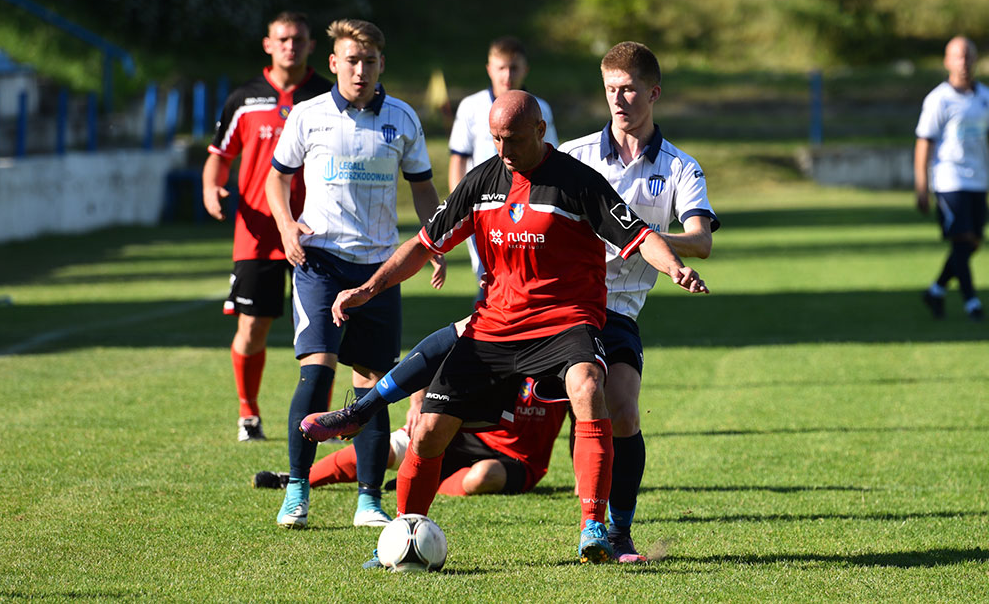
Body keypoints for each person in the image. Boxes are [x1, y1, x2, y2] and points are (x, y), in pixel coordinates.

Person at [329, 91, 708, 565]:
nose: (503, 150)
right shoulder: (482, 180)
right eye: (494, 139)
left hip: (564, 321)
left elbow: (640, 235)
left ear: (539, 132)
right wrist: (368, 288)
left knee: (589, 386)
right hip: (494, 327)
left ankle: (595, 527)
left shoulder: (578, 182)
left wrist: (675, 268)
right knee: (427, 430)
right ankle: (400, 537)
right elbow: (424, 244)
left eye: (510, 139)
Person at [264, 18, 445, 530]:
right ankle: (296, 492)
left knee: (372, 386)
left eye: (369, 61)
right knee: (317, 371)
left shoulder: (403, 119)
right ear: (334, 64)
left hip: (379, 270)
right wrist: (285, 227)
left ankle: (369, 500)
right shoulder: (308, 116)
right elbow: (276, 181)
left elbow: (423, 189)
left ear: (381, 64)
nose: (360, 70)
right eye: (351, 60)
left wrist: (435, 241)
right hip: (319, 261)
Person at [558, 41, 720, 562]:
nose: (618, 100)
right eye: (610, 90)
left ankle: (619, 530)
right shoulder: (574, 156)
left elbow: (701, 239)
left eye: (628, 89)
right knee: (587, 405)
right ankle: (592, 522)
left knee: (624, 411)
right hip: (569, 304)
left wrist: (637, 236)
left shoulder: (679, 168)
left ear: (653, 92)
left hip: (623, 308)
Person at [202, 11, 333, 442]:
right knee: (253, 327)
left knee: (322, 332)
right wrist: (212, 189)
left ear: (312, 45)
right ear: (267, 44)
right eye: (283, 39)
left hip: (316, 231)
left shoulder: (327, 96)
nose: (290, 46)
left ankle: (323, 420)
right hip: (257, 234)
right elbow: (220, 156)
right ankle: (248, 414)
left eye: (298, 39)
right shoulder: (245, 99)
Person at [306, 376, 568, 497]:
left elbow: (584, 420)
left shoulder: (565, 358)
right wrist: (417, 402)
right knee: (386, 449)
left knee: (482, 476)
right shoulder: (500, 341)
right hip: (467, 434)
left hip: (520, 459)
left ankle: (428, 485)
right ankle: (300, 480)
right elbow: (432, 360)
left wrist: (583, 479)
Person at [447, 37, 559, 294]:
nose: (507, 75)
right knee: (489, 280)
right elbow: (459, 159)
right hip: (484, 206)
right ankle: (486, 331)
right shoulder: (471, 107)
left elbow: (551, 158)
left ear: (525, 70)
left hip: (528, 206)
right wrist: (459, 204)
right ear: (489, 69)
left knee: (529, 276)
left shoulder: (541, 108)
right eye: (501, 68)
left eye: (514, 68)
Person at [915, 35, 988, 322]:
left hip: (978, 179)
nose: (964, 62)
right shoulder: (938, 100)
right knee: (962, 237)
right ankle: (972, 303)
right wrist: (922, 185)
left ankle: (935, 291)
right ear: (947, 61)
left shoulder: (984, 97)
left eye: (968, 56)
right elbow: (924, 143)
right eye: (958, 56)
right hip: (949, 179)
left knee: (972, 243)